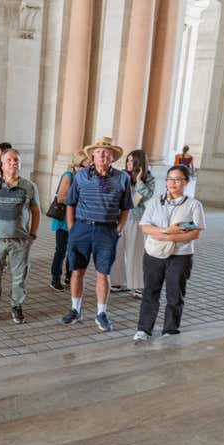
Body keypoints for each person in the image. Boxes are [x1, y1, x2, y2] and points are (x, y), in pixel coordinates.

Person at [61, 137, 133, 332]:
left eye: (107, 152)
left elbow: (126, 207)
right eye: (99, 152)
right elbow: (70, 203)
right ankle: (75, 309)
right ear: (92, 155)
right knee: (77, 271)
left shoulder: (122, 178)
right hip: (81, 229)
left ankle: (101, 313)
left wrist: (118, 229)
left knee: (103, 273)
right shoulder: (81, 176)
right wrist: (72, 228)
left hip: (107, 231)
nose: (103, 155)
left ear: (113, 157)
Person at [134, 165, 205, 341]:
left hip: (181, 256)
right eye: (170, 179)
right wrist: (168, 232)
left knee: (175, 293)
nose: (172, 183)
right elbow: (145, 226)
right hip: (154, 254)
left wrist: (167, 235)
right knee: (150, 292)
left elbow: (195, 232)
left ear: (186, 182)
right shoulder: (155, 202)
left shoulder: (194, 205)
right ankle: (144, 329)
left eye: (177, 179)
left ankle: (170, 329)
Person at [0, 149, 41, 324]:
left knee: (20, 276)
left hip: (20, 239)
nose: (13, 163)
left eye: (16, 160)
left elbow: (36, 211)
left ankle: (17, 306)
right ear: (2, 164)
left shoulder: (29, 186)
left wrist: (32, 235)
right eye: (9, 160)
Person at [111, 149, 156, 298]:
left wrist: (139, 181)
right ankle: (118, 282)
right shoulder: (121, 175)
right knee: (117, 250)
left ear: (139, 163)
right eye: (128, 160)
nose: (129, 163)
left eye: (132, 161)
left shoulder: (148, 178)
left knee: (135, 252)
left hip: (135, 218)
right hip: (118, 218)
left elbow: (143, 198)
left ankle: (138, 286)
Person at [50, 150, 89, 291]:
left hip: (78, 219)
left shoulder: (85, 177)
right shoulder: (68, 176)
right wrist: (79, 198)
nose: (89, 166)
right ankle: (55, 278)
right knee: (61, 250)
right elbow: (60, 198)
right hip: (64, 219)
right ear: (78, 164)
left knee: (74, 250)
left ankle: (69, 276)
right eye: (87, 163)